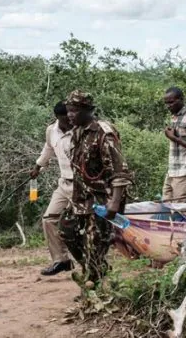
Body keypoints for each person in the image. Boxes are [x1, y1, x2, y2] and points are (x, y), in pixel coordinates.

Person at [61, 90, 132, 287]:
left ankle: (93, 285)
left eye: (74, 111)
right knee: (66, 229)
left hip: (103, 198)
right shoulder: (77, 132)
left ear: (87, 110)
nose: (70, 115)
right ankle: (95, 267)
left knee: (94, 242)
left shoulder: (104, 132)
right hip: (82, 196)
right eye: (68, 111)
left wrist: (115, 202)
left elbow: (120, 171)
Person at [30, 101, 74, 276]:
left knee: (84, 223)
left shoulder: (81, 130)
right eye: (65, 119)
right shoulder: (51, 131)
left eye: (70, 117)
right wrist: (38, 166)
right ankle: (61, 260)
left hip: (83, 185)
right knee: (49, 219)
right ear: (58, 117)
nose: (69, 121)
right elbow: (48, 149)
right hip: (64, 184)